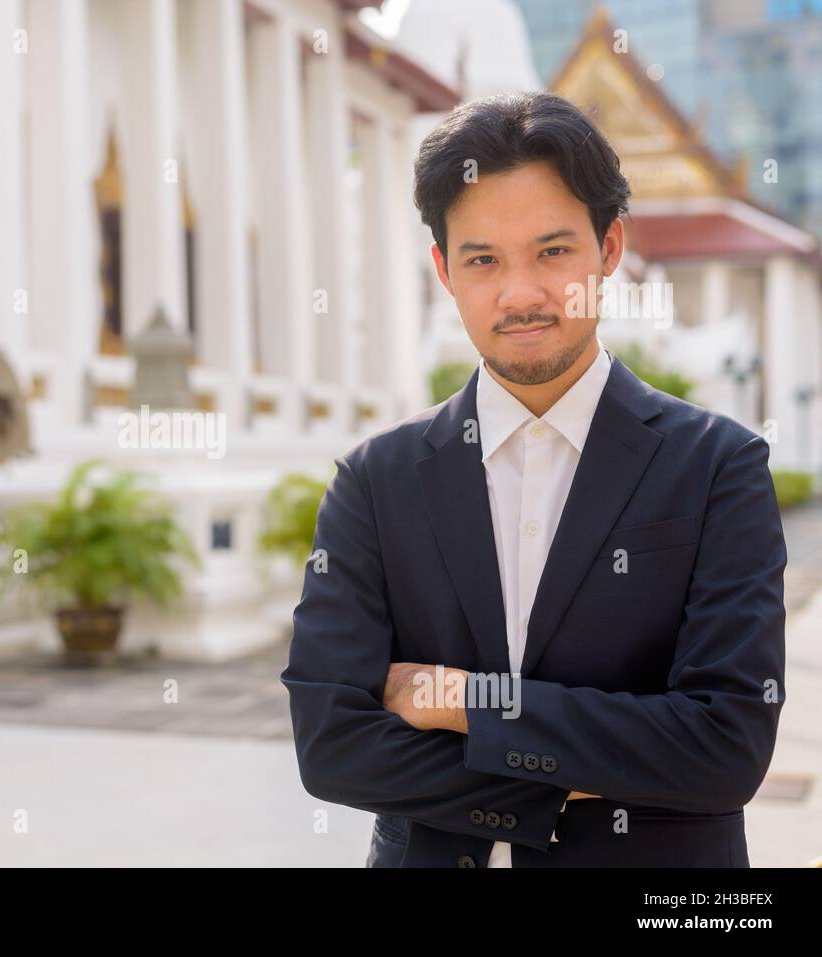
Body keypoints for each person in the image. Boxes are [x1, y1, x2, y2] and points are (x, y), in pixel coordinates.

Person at [280, 91, 786, 867]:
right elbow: (332, 745)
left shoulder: (719, 467)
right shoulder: (375, 481)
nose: (520, 295)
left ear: (609, 250)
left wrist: (464, 701)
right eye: (483, 259)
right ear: (445, 271)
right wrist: (576, 781)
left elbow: (724, 749)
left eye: (553, 251)